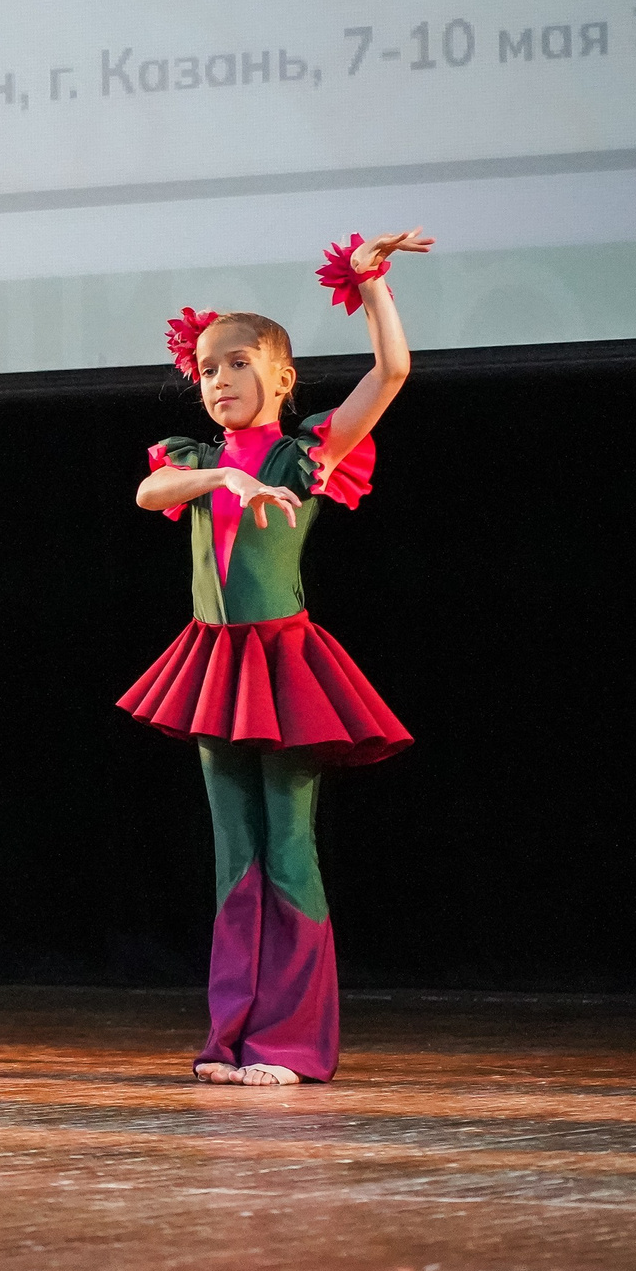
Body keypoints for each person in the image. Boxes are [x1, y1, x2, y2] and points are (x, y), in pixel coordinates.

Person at [120, 230, 431, 1086]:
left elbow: (392, 373)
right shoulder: (192, 460)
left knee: (287, 845)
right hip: (213, 665)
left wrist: (369, 283)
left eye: (238, 364)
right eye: (208, 368)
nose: (219, 379)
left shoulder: (305, 453)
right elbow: (149, 491)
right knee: (235, 854)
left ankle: (291, 1043)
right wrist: (222, 479)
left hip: (283, 664)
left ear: (283, 378)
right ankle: (231, 1036)